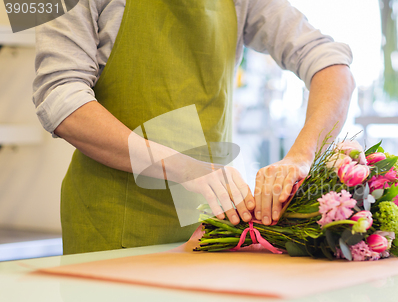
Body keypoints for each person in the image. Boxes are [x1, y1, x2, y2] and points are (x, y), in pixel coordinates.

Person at [33, 0, 355, 254]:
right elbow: (60, 99)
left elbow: (331, 65)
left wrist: (301, 156)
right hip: (113, 222)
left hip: (214, 228)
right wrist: (188, 169)